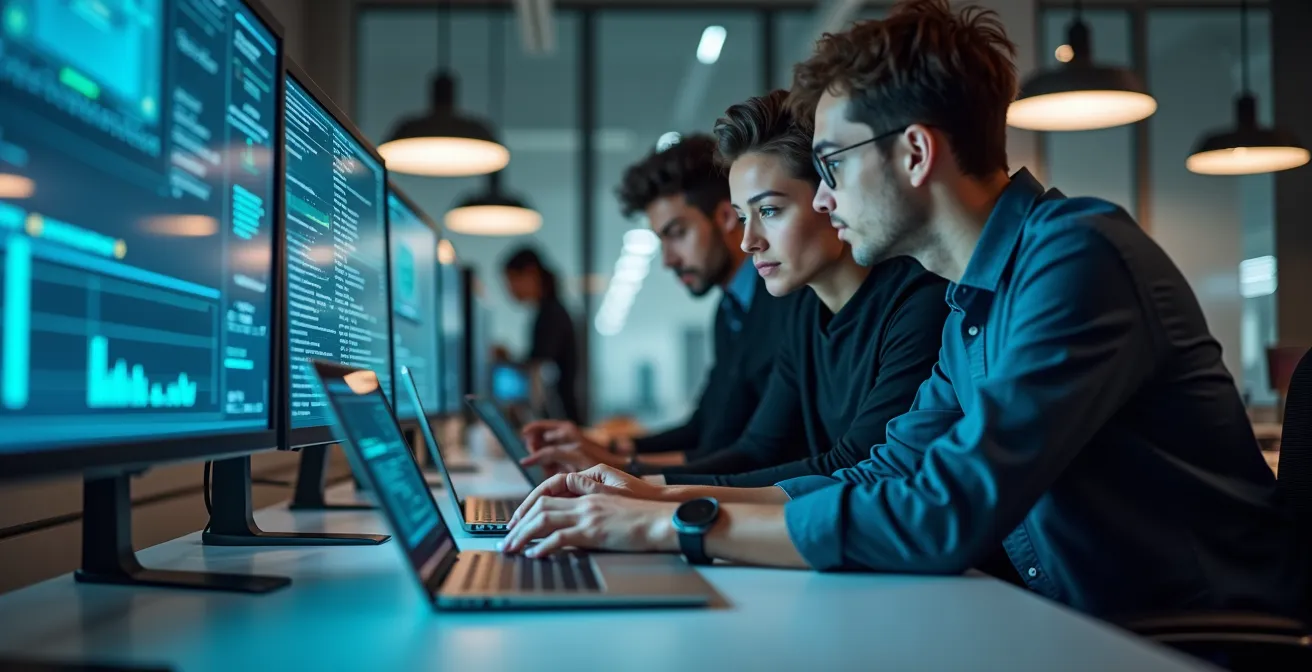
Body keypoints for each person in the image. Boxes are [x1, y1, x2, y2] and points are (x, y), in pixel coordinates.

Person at [499, 0, 1306, 620]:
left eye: (831, 166)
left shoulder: (1076, 259)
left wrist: (666, 527)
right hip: (1080, 624)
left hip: (1191, 636)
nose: (822, 199)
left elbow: (943, 512)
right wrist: (653, 499)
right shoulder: (973, 298)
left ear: (915, 153)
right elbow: (884, 471)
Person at [520, 90, 949, 489]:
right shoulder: (804, 310)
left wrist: (642, 488)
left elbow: (854, 466)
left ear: (828, 199)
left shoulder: (919, 301)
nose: (748, 242)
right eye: (745, 217)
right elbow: (753, 448)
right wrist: (628, 479)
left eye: (770, 210)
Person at [530, 135, 800, 466]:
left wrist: (622, 468)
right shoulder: (729, 312)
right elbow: (701, 430)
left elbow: (754, 455)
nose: (668, 260)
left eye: (677, 233)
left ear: (726, 217)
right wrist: (607, 447)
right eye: (662, 240)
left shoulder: (786, 302)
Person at [501, 247, 582, 423]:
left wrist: (507, 361)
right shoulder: (550, 311)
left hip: (560, 417)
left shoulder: (550, 314)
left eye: (512, 279)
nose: (509, 289)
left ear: (531, 273)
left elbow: (540, 366)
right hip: (561, 416)